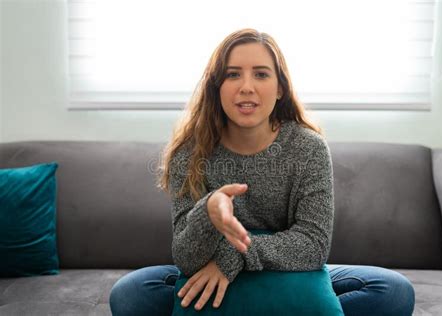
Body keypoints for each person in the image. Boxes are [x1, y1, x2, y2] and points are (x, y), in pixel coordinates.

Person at [109, 28, 415, 316]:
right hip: (212, 269)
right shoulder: (188, 153)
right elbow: (187, 259)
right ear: (217, 87)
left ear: (280, 88)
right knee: (131, 294)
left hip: (284, 272)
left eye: (261, 74)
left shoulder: (308, 148)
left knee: (392, 291)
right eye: (232, 75)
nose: (246, 87)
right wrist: (209, 214)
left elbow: (313, 244)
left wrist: (232, 258)